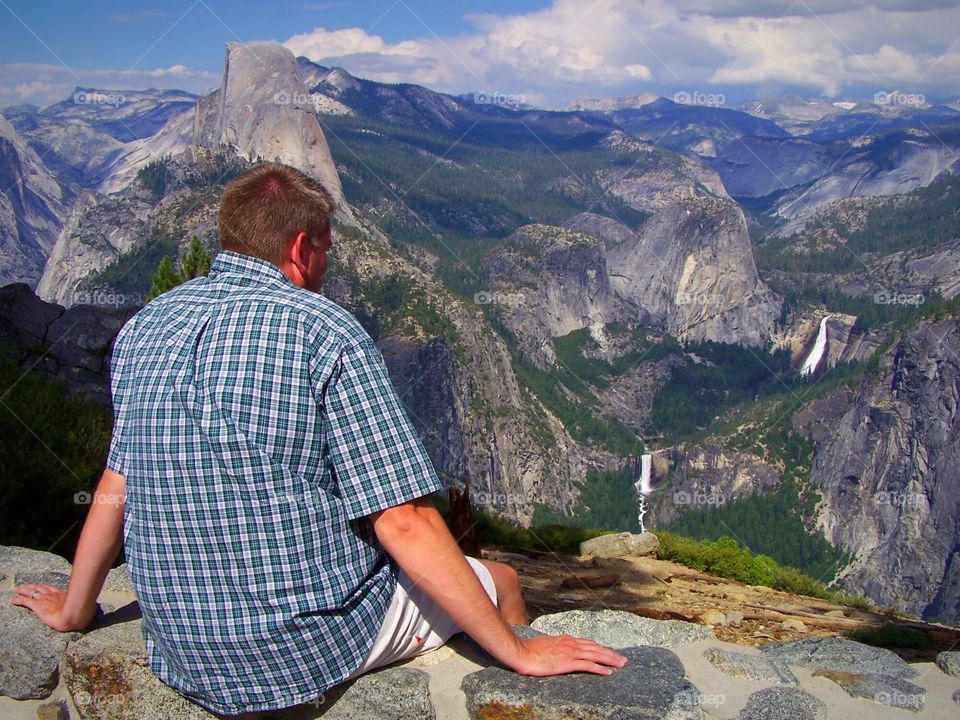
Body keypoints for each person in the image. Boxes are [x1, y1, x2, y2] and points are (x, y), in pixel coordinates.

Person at [9, 163, 627, 715]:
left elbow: (116, 484)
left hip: (181, 642)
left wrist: (73, 611)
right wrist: (519, 651)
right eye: (327, 250)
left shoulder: (147, 327)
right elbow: (403, 520)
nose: (326, 268)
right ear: (302, 248)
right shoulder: (324, 331)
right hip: (297, 647)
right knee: (505, 582)